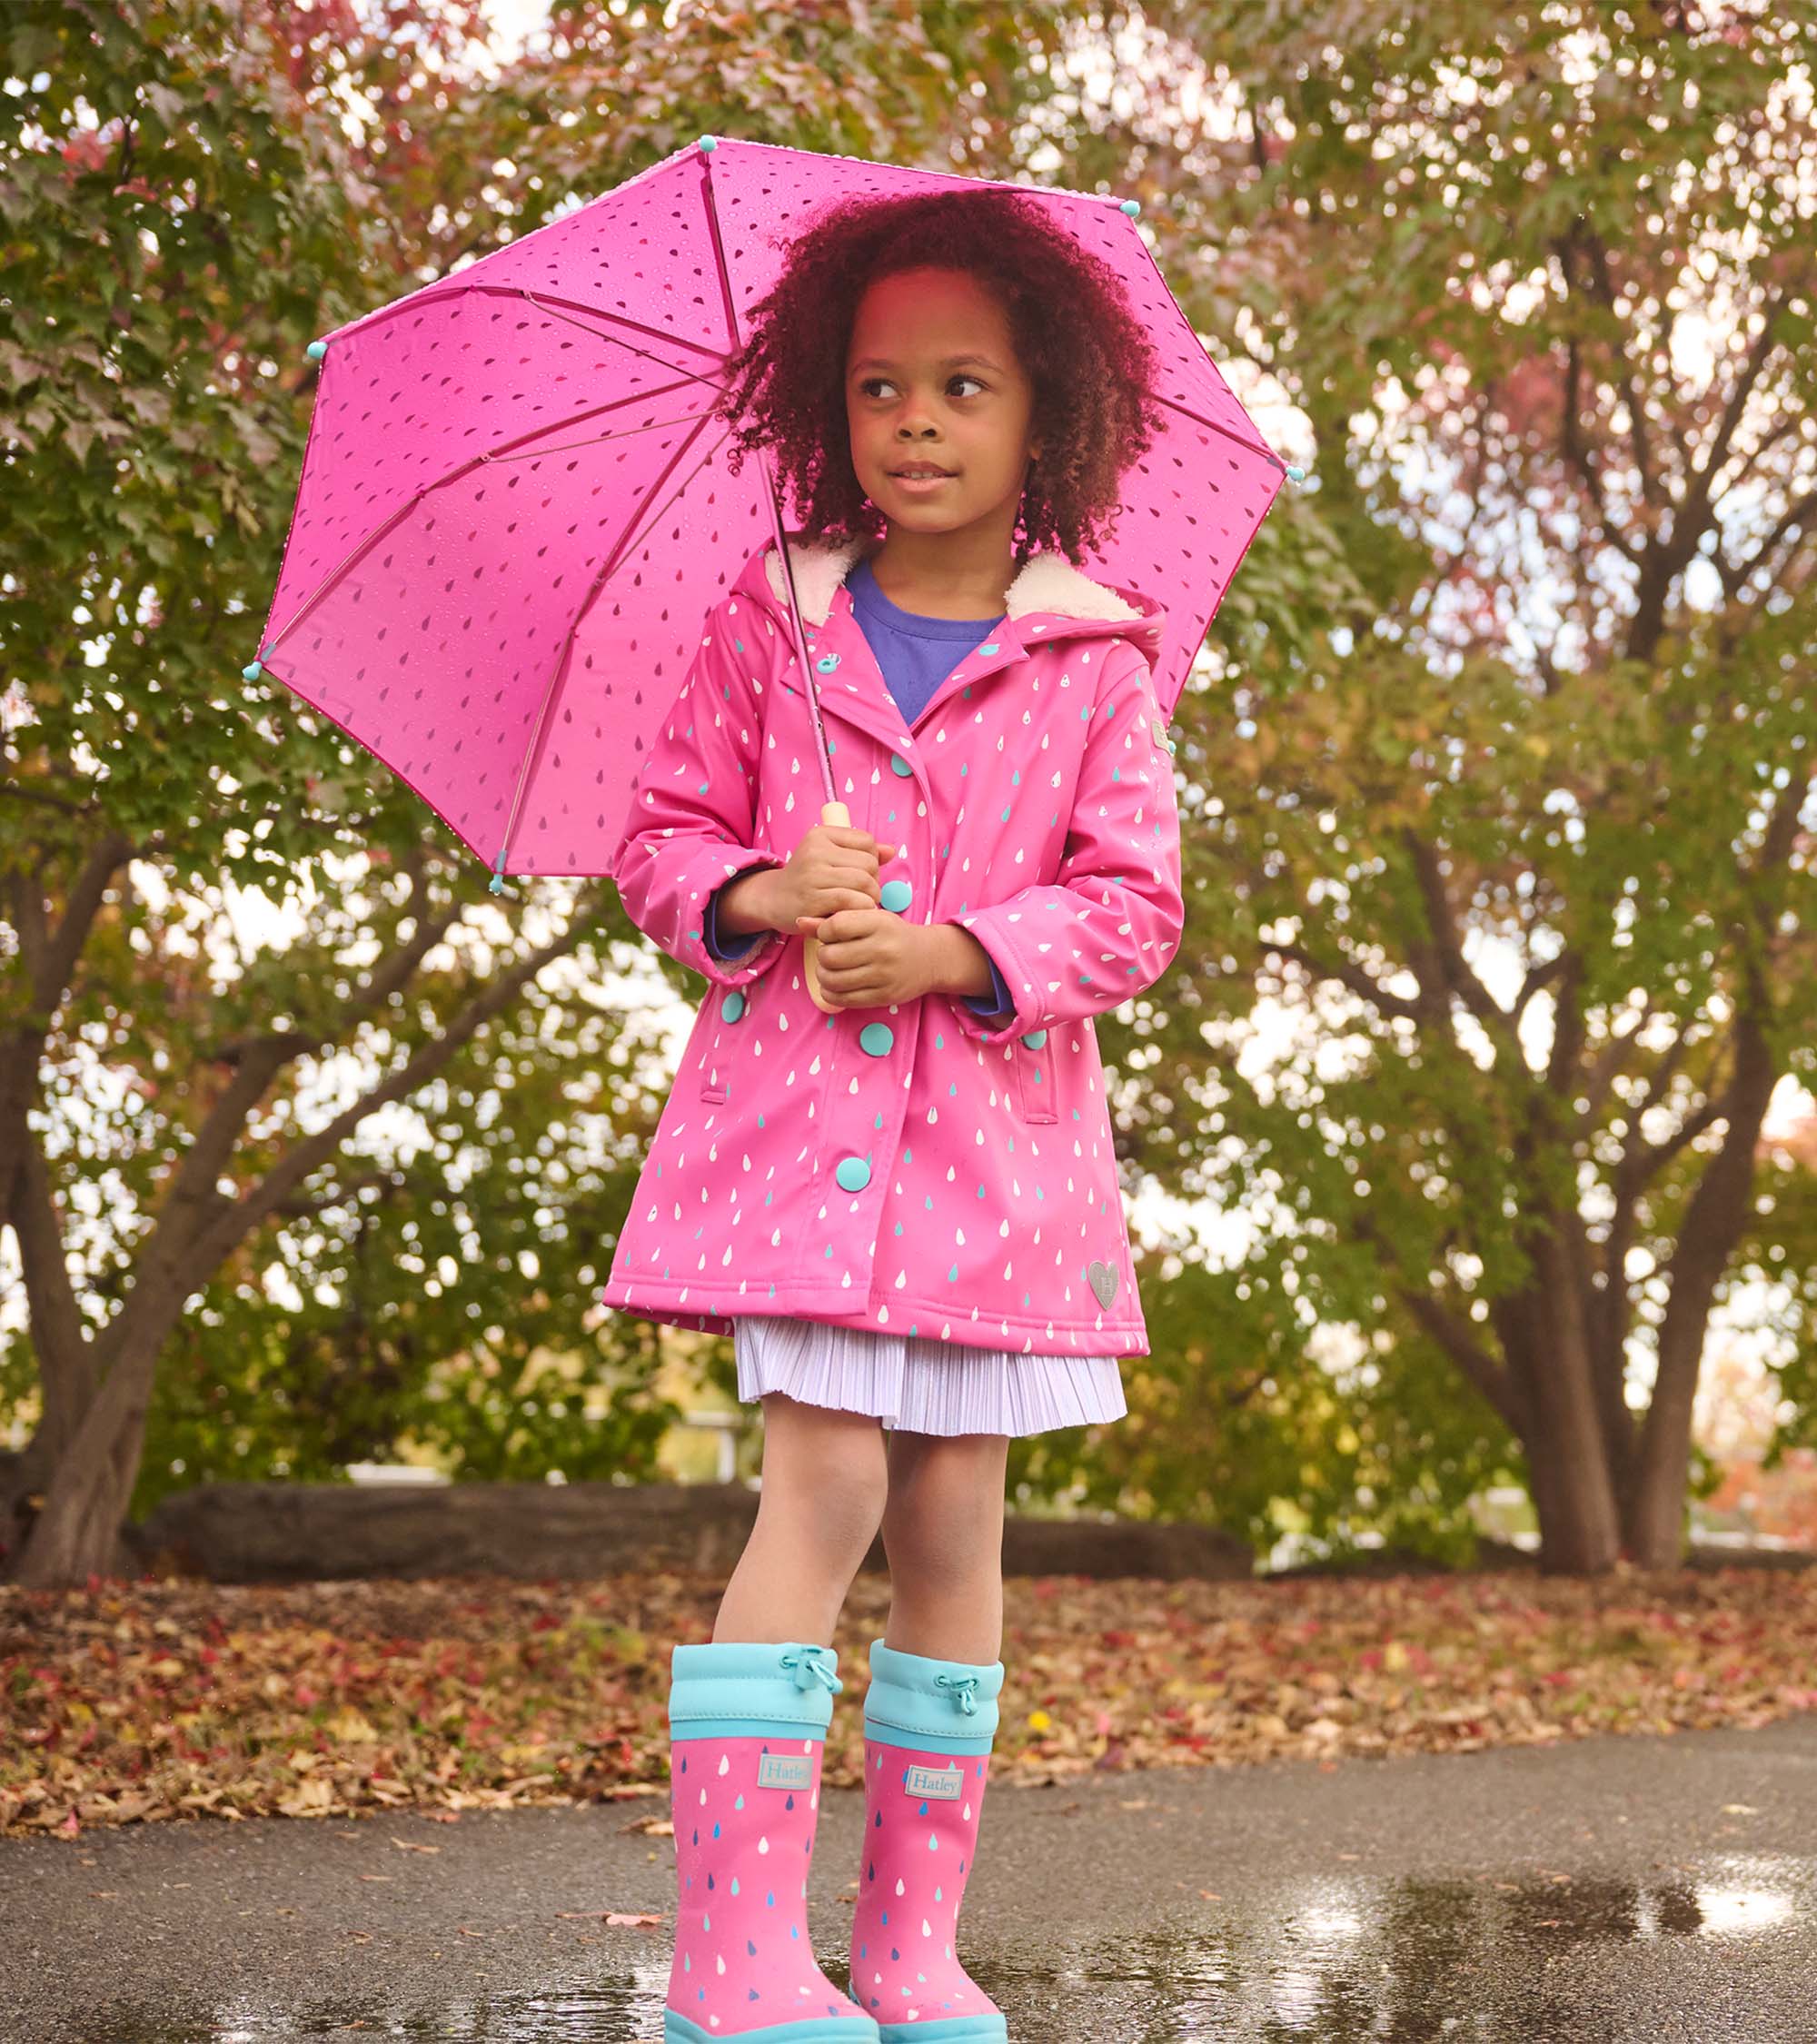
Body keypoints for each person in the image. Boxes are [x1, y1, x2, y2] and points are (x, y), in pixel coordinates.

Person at [604, 184, 1183, 2044]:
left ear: (1048, 418)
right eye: (876, 388)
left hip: (996, 1165)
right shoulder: (766, 630)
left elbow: (1134, 905)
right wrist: (770, 895)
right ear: (821, 410)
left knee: (953, 1517)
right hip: (796, 1150)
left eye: (961, 387)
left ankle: (909, 1950)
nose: (914, 423)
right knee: (828, 1471)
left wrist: (950, 950)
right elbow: (661, 839)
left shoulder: (1097, 660)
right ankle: (731, 1964)